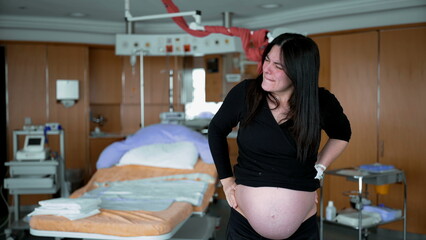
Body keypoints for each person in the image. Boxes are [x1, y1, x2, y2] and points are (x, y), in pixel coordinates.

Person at [208, 33, 351, 240]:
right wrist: (227, 181)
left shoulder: (320, 102)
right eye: (267, 60)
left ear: (299, 71)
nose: (266, 69)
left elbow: (342, 133)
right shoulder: (246, 93)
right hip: (245, 228)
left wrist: (319, 168)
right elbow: (216, 130)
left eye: (278, 66)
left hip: (302, 230)